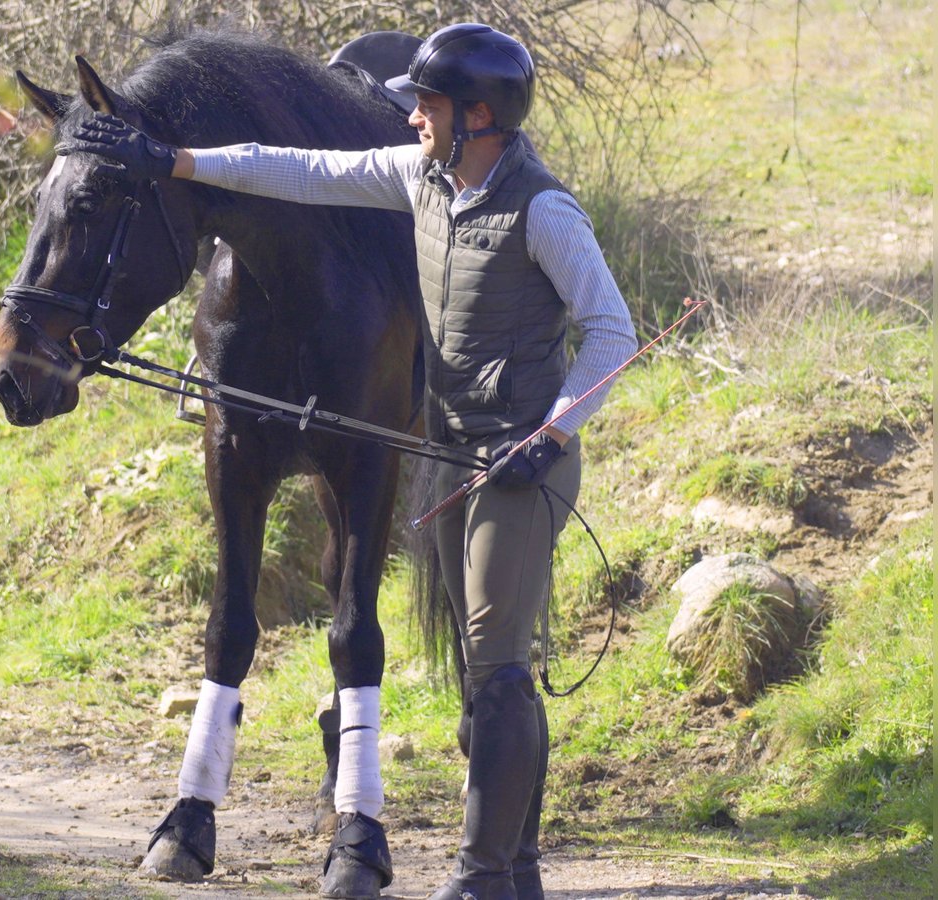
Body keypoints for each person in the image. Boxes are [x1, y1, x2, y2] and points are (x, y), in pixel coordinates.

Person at [63, 22, 638, 900]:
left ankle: (485, 877)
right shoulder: (421, 178)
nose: (410, 115)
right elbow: (295, 170)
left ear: (478, 116)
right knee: (490, 669)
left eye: (429, 105)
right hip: (444, 451)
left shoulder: (544, 211)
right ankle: (515, 872)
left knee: (497, 669)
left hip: (521, 464)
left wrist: (552, 433)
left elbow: (614, 333)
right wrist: (177, 163)